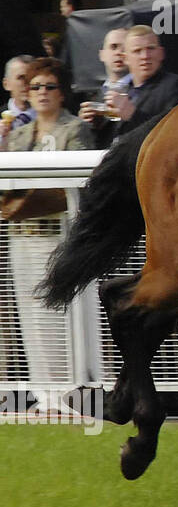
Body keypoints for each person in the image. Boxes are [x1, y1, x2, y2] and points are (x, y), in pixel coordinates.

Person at [0, 57, 92, 408]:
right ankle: (45, 394)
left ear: (62, 92)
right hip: (21, 236)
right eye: (35, 86)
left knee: (61, 315)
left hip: (58, 236)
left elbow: (77, 185)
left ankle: (72, 394)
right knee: (30, 318)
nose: (40, 92)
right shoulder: (19, 134)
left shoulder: (74, 129)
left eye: (49, 86)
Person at [84, 27, 178, 140]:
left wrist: (133, 115)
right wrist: (94, 125)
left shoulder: (176, 86)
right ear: (125, 58)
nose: (145, 56)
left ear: (161, 53)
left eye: (150, 48)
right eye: (137, 51)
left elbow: (175, 133)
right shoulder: (122, 91)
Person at [75, 27, 130, 148]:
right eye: (113, 47)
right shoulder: (89, 97)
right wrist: (85, 126)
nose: (118, 53)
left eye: (125, 48)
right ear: (102, 55)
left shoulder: (144, 90)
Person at [0, 56, 35, 150]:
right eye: (21, 78)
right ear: (6, 84)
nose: (28, 83)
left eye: (32, 77)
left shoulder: (51, 116)